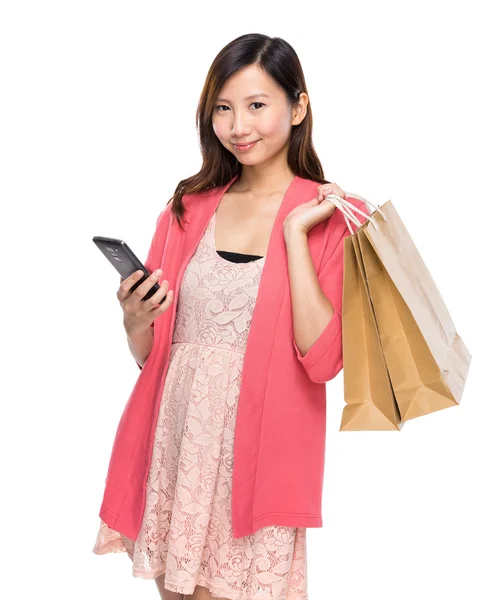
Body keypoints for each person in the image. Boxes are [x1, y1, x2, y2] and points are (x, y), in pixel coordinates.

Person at [93, 32, 367, 600]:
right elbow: (156, 356)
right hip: (179, 445)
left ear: (298, 107)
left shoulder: (333, 218)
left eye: (256, 105)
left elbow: (322, 361)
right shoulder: (186, 210)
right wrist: (133, 319)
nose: (238, 126)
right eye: (223, 108)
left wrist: (295, 234)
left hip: (261, 454)